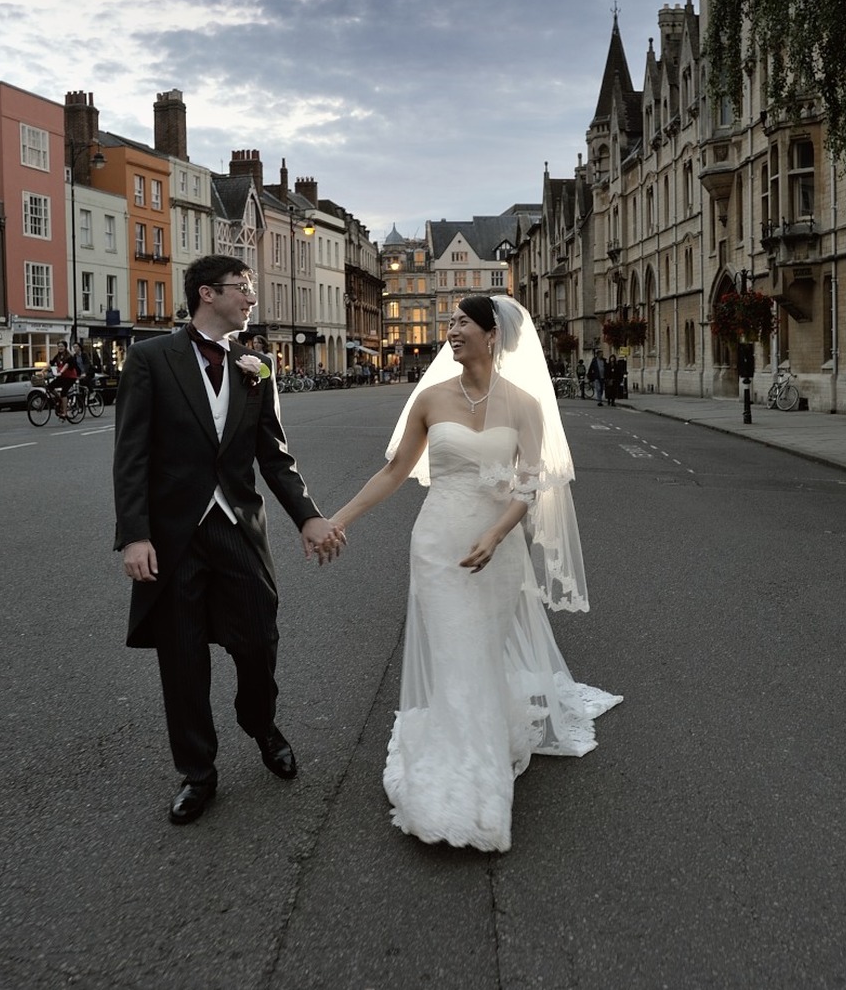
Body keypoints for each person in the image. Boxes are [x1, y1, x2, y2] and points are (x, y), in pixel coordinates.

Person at [328, 295, 621, 853]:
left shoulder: (526, 404)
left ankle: (477, 753)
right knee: (454, 655)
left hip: (497, 547)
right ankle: (464, 778)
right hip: (437, 544)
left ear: (492, 335)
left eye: (463, 323)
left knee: (480, 653)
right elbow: (394, 471)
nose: (452, 331)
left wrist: (496, 533)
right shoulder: (430, 398)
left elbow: (530, 485)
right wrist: (337, 520)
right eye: (452, 323)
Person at [113, 254, 344, 826]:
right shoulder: (150, 359)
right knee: (182, 658)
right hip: (173, 536)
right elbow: (131, 454)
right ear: (207, 294)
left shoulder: (256, 364)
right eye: (242, 289)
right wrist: (135, 536)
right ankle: (198, 773)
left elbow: (274, 455)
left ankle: (259, 722)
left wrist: (309, 517)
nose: (250, 299)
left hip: (238, 525)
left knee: (259, 638)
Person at [48, 342, 81, 418]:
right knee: (50, 387)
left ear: (65, 347)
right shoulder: (58, 356)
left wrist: (61, 371)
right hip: (62, 377)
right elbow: (51, 364)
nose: (60, 348)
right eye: (59, 346)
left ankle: (65, 412)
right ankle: (59, 399)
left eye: (62, 346)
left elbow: (67, 365)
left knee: (63, 392)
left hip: (70, 377)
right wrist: (42, 371)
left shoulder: (69, 356)